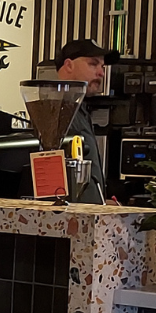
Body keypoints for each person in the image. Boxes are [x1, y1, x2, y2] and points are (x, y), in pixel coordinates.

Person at [52, 38, 118, 204]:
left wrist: (101, 202)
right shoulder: (58, 110)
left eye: (102, 67)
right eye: (93, 64)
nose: (101, 73)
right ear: (69, 65)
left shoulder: (79, 109)